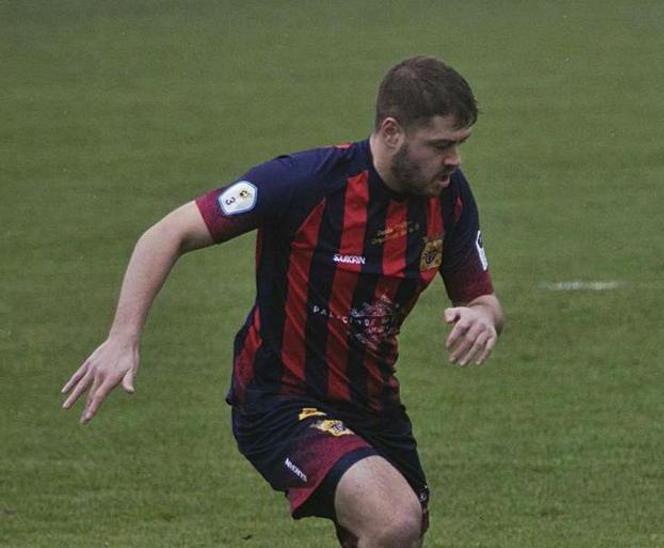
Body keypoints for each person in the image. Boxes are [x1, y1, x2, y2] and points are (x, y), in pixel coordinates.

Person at [60, 56, 504, 548]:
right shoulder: (305, 182)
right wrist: (124, 337)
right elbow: (168, 233)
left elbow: (483, 298)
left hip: (375, 404)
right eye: (441, 146)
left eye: (460, 145)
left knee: (401, 532)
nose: (455, 160)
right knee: (392, 519)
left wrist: (482, 316)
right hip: (280, 398)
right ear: (392, 131)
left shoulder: (450, 198)